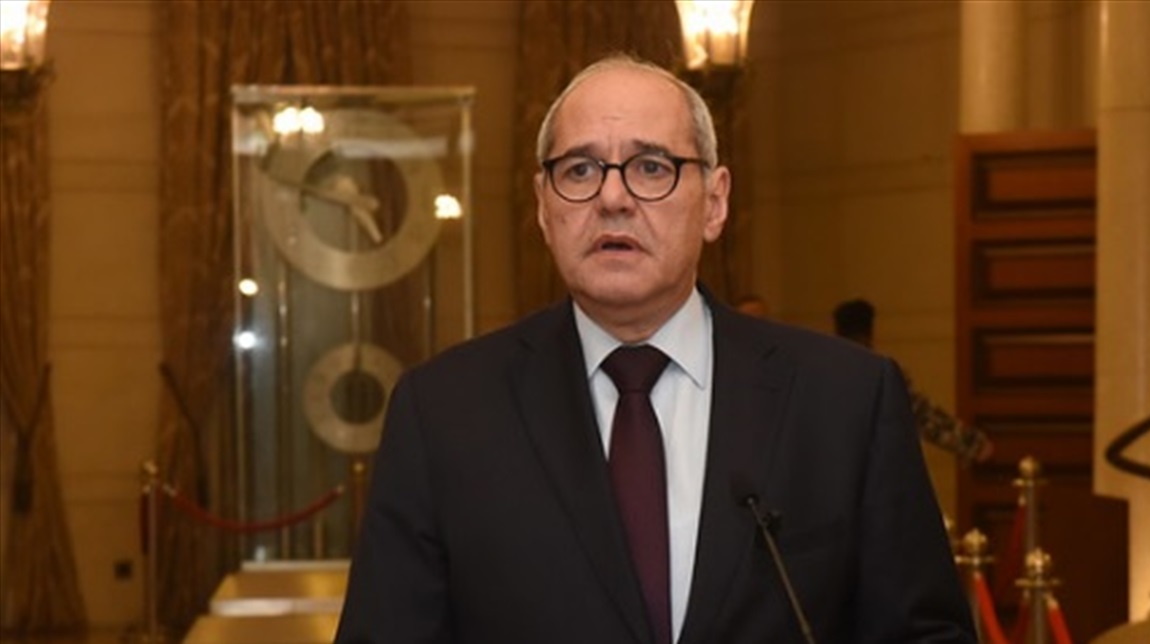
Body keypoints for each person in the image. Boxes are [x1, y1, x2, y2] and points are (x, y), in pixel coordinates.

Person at [336, 55, 974, 644]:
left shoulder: (845, 402)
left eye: (651, 167)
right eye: (579, 170)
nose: (612, 199)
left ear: (715, 203)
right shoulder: (444, 413)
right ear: (544, 209)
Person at [832, 298, 993, 464]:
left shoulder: (826, 376)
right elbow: (924, 416)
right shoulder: (882, 375)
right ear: (869, 334)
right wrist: (973, 444)